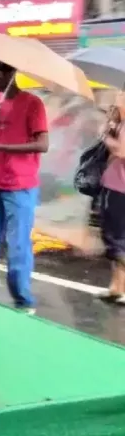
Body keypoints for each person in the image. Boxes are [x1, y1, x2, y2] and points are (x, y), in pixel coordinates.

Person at [0, 60, 48, 313]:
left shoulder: (32, 103)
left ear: (8, 74)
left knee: (17, 245)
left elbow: (43, 144)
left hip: (21, 185)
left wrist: (2, 147)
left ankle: (22, 299)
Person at [98, 93, 125, 305]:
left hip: (120, 188)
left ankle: (119, 287)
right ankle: (117, 287)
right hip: (114, 186)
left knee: (117, 238)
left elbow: (122, 151)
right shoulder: (120, 124)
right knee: (114, 237)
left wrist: (105, 137)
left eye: (121, 96)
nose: (117, 98)